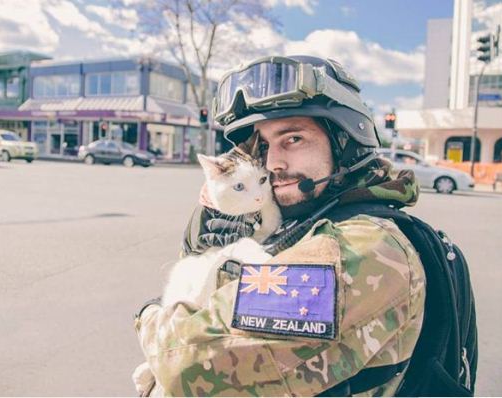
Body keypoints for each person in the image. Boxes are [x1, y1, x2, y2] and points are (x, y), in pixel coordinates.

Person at [134, 55, 426, 396]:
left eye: (293, 139)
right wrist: (202, 251)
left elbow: (183, 360)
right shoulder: (309, 219)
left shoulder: (363, 247)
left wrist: (149, 312)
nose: (273, 163)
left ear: (344, 140)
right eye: (266, 146)